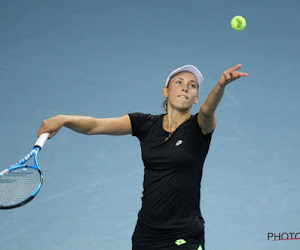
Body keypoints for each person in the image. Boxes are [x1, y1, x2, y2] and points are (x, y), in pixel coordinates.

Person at [37, 64, 248, 250]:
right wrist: (64, 119)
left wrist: (220, 85)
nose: (185, 87)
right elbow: (95, 125)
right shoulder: (144, 124)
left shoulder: (199, 127)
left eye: (193, 86)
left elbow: (208, 111)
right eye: (179, 82)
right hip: (146, 234)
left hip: (184, 234)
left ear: (196, 98)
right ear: (166, 91)